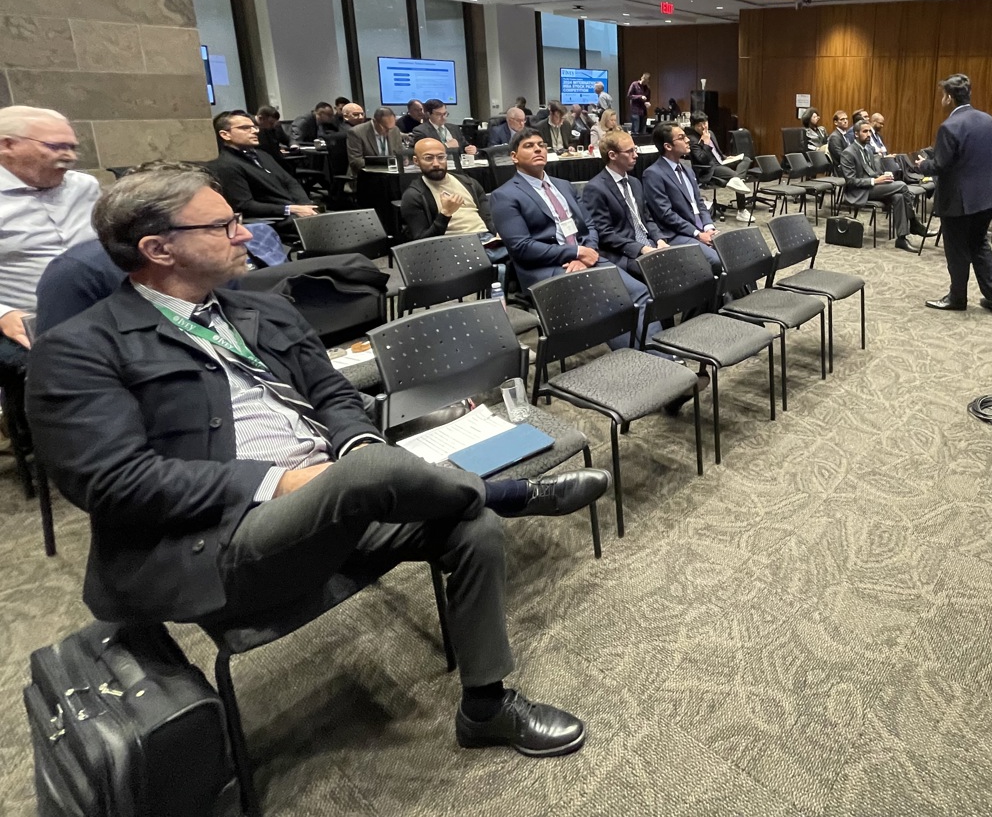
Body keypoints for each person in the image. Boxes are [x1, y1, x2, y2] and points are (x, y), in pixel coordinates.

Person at [28, 165, 608, 756]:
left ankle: (485, 706)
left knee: (464, 522)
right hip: (221, 542)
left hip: (344, 495)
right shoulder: (79, 351)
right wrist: (281, 481)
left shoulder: (261, 310)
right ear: (158, 248)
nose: (246, 235)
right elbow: (115, 483)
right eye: (224, 225)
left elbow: (333, 395)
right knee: (370, 473)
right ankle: (514, 495)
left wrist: (355, 442)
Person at [490, 128, 652, 348]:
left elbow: (590, 226)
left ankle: (653, 353)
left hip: (585, 257)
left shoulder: (563, 185)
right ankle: (643, 362)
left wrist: (586, 252)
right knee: (608, 302)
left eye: (542, 145)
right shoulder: (505, 195)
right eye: (529, 146)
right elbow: (522, 247)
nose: (538, 149)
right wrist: (574, 252)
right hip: (544, 267)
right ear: (514, 157)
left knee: (640, 293)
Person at [0, 106, 101, 451]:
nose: (69, 157)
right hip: (26, 315)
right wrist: (2, 313)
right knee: (75, 363)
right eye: (56, 147)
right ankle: (79, 451)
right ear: (7, 145)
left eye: (72, 147)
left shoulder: (85, 187)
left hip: (101, 303)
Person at [918, 74, 992, 315]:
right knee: (980, 245)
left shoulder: (949, 126)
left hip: (958, 200)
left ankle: (957, 297)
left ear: (949, 97)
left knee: (956, 249)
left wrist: (922, 164)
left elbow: (940, 165)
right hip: (986, 196)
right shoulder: (988, 120)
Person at [581, 129, 669, 280]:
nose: (635, 155)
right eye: (629, 151)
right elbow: (604, 233)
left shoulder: (634, 182)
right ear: (612, 155)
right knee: (664, 274)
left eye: (634, 149)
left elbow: (646, 218)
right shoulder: (595, 188)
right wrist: (641, 248)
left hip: (649, 244)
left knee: (686, 266)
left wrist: (660, 239)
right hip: (623, 253)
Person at [210, 110, 318, 221]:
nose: (255, 131)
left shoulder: (263, 155)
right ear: (225, 135)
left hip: (294, 213)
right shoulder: (226, 165)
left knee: (330, 219)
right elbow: (245, 205)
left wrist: (305, 204)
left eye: (254, 127)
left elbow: (290, 182)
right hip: (273, 220)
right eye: (245, 128)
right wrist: (290, 209)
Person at [642, 123, 720, 268]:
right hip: (677, 233)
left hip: (700, 228)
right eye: (681, 138)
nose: (688, 140)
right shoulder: (653, 174)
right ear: (668, 146)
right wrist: (697, 233)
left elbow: (699, 203)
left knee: (735, 251)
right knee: (717, 260)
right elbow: (665, 214)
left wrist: (708, 226)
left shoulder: (688, 170)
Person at [841, 119, 922, 252]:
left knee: (898, 197)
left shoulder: (867, 149)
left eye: (869, 132)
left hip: (872, 187)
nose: (868, 135)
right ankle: (913, 223)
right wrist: (876, 181)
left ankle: (901, 238)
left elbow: (872, 171)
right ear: (856, 134)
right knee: (901, 185)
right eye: (864, 131)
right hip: (859, 192)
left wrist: (884, 176)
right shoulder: (848, 153)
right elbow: (850, 181)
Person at [400, 138, 496, 243]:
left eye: (441, 157)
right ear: (416, 161)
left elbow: (488, 218)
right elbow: (423, 243)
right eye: (428, 158)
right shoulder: (414, 196)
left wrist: (499, 234)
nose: (436, 163)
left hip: (487, 238)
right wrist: (445, 214)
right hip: (453, 245)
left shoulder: (470, 183)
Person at [686, 112, 753, 222]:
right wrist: (705, 143)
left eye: (705, 123)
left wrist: (726, 158)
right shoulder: (692, 139)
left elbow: (717, 152)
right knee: (735, 176)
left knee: (746, 159)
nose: (704, 127)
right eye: (700, 125)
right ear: (694, 126)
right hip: (709, 167)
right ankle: (741, 210)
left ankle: (737, 180)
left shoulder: (710, 133)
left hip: (720, 161)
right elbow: (701, 159)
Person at [411, 100, 478, 164]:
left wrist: (472, 149)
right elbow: (424, 152)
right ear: (429, 114)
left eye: (445, 114)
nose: (443, 118)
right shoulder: (421, 131)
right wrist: (446, 146)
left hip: (459, 166)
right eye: (438, 114)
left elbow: (465, 146)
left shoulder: (454, 128)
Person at [346, 107, 405, 177]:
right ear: (375, 122)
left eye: (391, 128)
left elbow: (399, 152)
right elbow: (355, 161)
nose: (388, 131)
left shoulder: (394, 130)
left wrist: (404, 159)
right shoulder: (356, 132)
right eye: (385, 128)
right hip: (366, 176)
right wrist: (383, 164)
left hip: (391, 176)